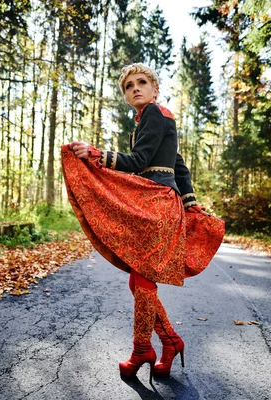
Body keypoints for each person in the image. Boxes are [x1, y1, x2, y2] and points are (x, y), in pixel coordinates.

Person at [61, 63, 224, 381]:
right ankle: (169, 342)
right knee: (139, 280)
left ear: (155, 89)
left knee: (143, 280)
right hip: (161, 203)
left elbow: (138, 162)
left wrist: (94, 154)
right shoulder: (161, 118)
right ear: (124, 95)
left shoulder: (154, 113)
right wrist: (189, 205)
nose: (135, 88)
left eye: (142, 82)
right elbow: (179, 166)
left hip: (157, 205)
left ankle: (141, 350)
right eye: (128, 86)